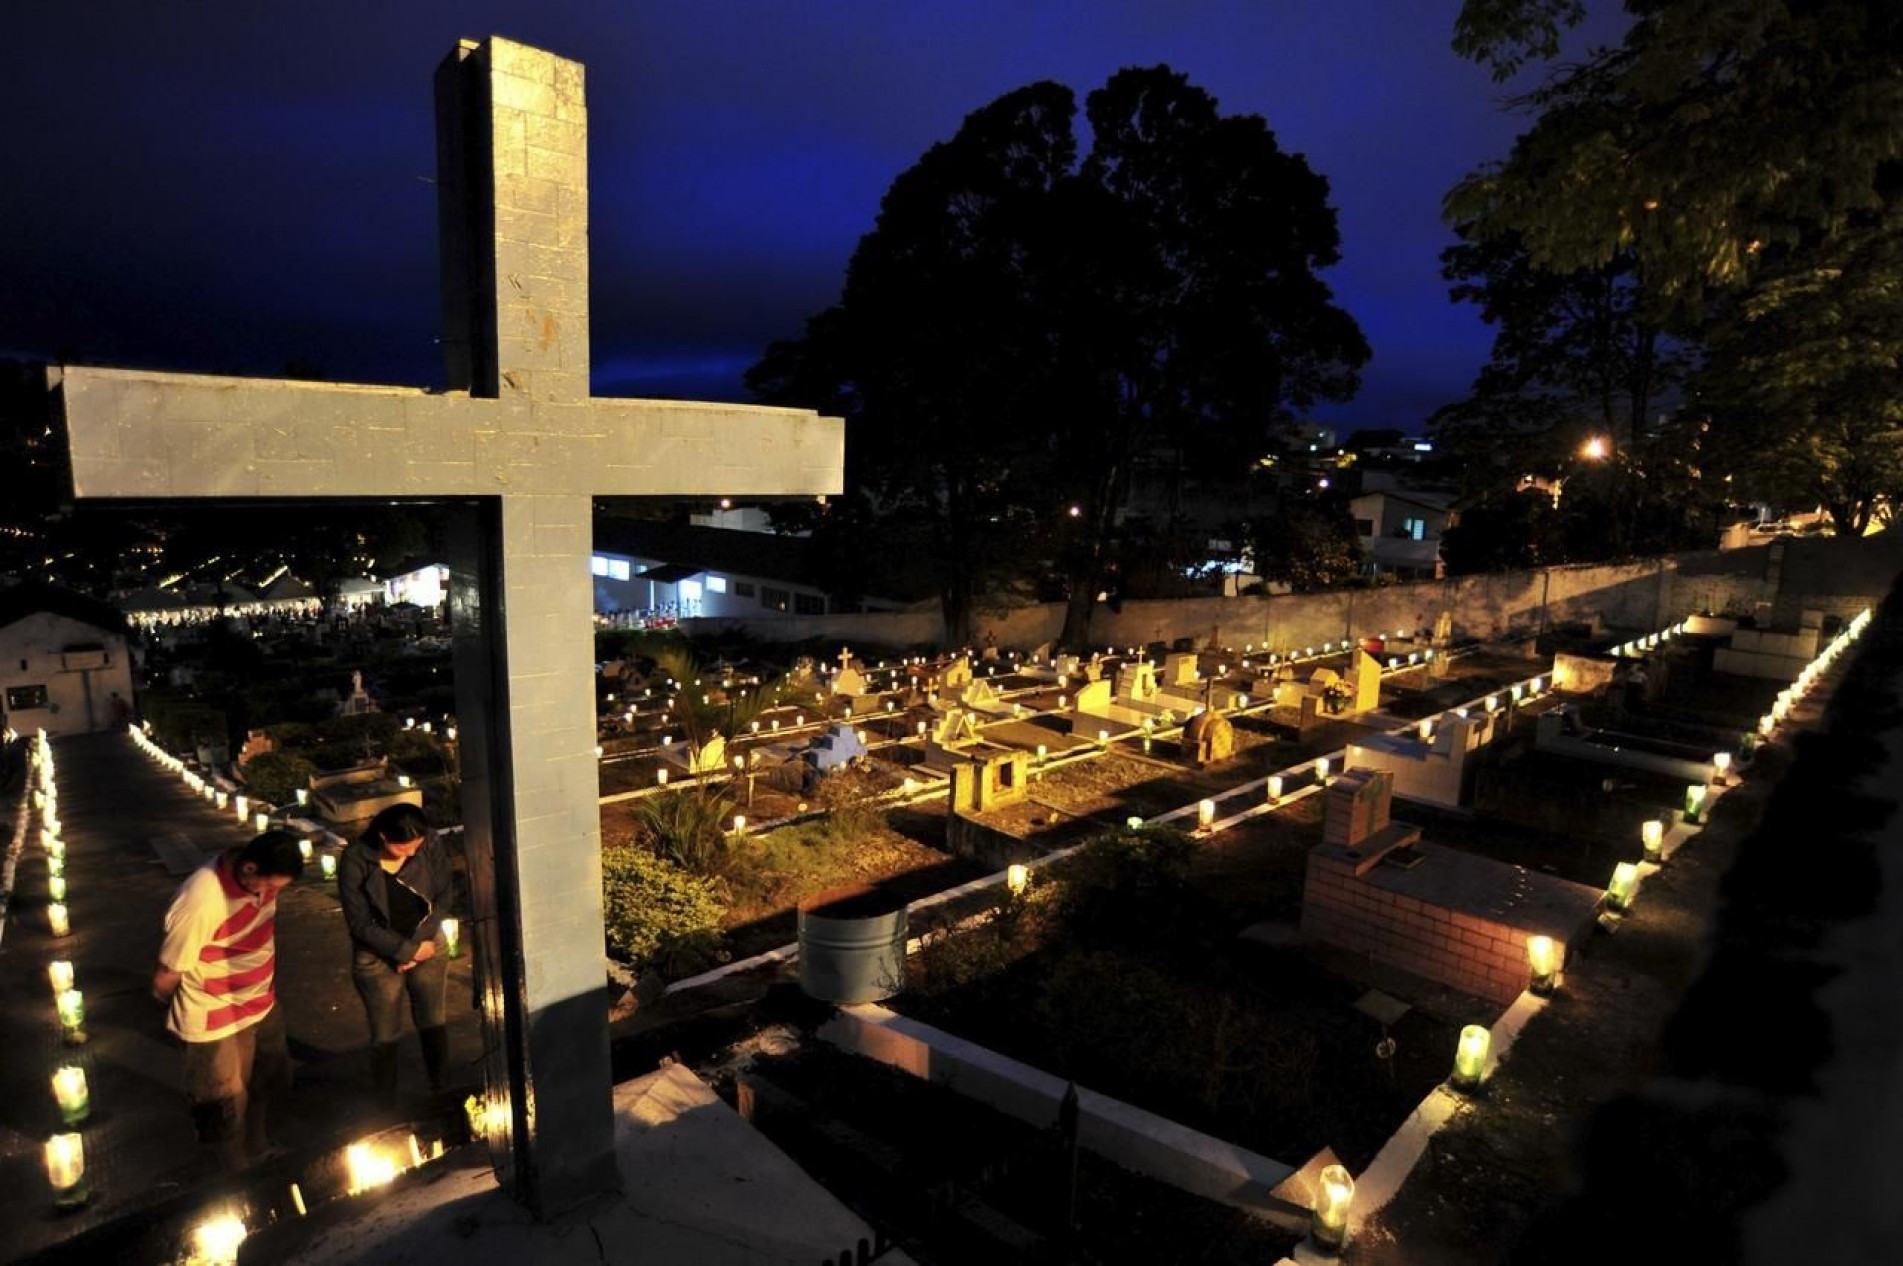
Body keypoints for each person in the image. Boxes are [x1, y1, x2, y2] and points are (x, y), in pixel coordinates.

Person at [153, 829, 306, 1173]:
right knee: (222, 1102)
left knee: (265, 1081)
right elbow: (168, 972)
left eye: (278, 889)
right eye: (269, 886)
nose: (270, 896)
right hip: (211, 1016)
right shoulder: (201, 900)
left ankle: (259, 1146)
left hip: (258, 1002)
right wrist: (163, 1003)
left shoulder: (259, 879)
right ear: (249, 868)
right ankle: (235, 1177)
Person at [338, 804, 456, 1107]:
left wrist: (416, 949)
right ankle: (386, 1103)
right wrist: (402, 951)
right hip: (376, 957)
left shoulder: (429, 843)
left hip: (428, 945)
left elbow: (444, 895)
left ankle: (441, 1086)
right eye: (402, 846)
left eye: (416, 845)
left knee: (433, 1022)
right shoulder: (356, 859)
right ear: (382, 836)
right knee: (385, 1034)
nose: (411, 852)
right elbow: (359, 922)